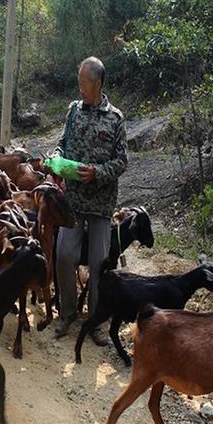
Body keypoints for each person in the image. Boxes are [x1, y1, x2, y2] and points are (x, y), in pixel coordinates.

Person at [53, 56, 128, 345]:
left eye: (83, 82)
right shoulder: (73, 111)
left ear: (96, 84)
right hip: (72, 200)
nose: (79, 87)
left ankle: (96, 321)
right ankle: (68, 314)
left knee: (98, 264)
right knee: (64, 255)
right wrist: (57, 158)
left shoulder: (115, 118)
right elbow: (63, 140)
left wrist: (96, 172)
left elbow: (122, 162)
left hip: (100, 205)